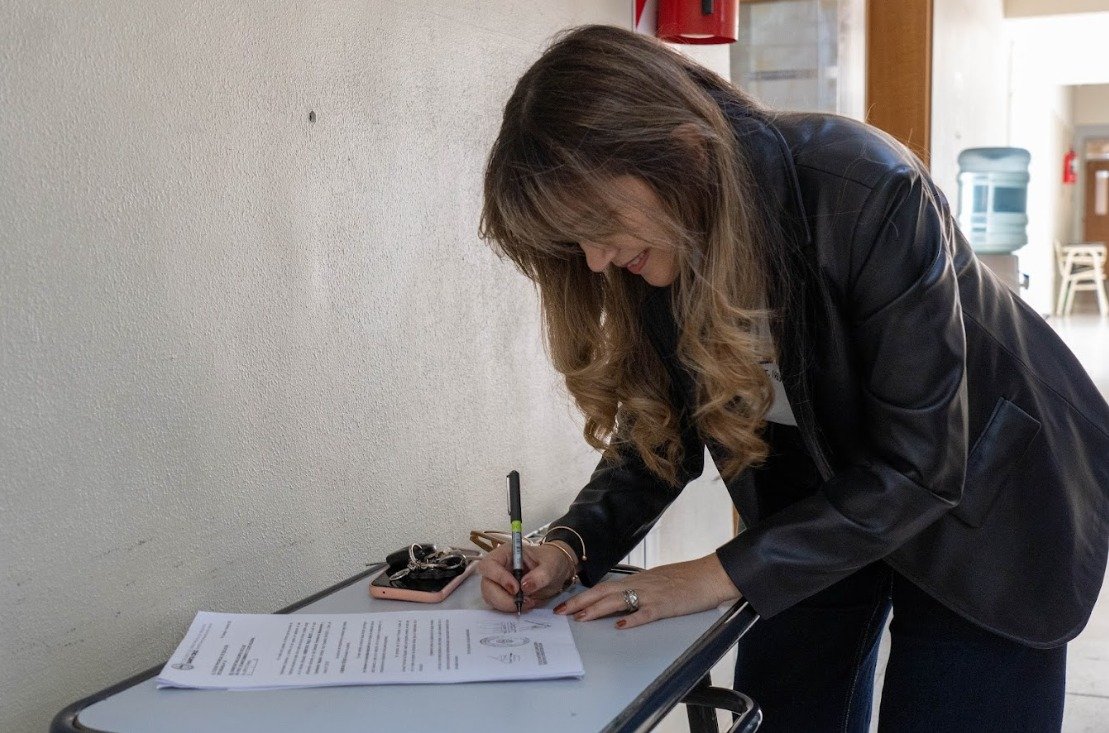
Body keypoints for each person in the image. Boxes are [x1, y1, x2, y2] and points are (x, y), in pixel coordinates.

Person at [474, 24, 1109, 732]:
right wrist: (569, 546)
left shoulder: (866, 187)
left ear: (681, 150)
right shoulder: (654, 248)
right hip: (823, 495)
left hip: (983, 494)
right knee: (784, 709)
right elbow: (657, 434)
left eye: (598, 222)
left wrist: (713, 573)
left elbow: (922, 462)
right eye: (575, 238)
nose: (594, 260)